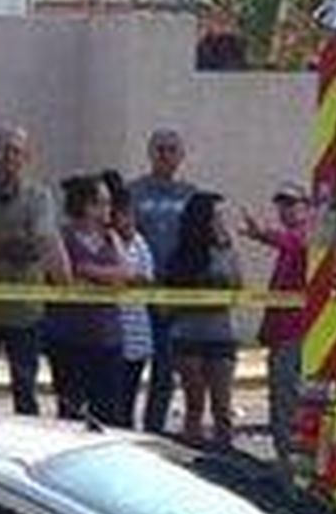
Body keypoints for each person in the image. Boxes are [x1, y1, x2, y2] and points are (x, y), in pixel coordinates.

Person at [0, 126, 66, 416]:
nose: (9, 157)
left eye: (16, 151)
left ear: (26, 157)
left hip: (26, 310)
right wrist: (16, 239)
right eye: (3, 149)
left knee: (26, 392)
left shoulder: (40, 197)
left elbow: (39, 245)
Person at [46, 174, 129, 427]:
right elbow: (65, 278)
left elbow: (124, 275)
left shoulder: (112, 238)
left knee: (108, 412)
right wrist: (102, 275)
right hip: (70, 338)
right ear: (86, 205)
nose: (108, 209)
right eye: (102, 202)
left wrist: (89, 271)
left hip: (108, 338)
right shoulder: (62, 236)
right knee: (71, 412)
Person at [127, 129, 196, 435]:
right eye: (159, 149)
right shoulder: (134, 192)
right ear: (150, 153)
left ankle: (154, 429)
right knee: (131, 365)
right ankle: (124, 427)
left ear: (181, 156)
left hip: (176, 294)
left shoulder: (190, 195)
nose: (165, 155)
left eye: (171, 150)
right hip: (140, 291)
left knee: (166, 371)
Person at [242, 183, 312, 467]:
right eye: (281, 203)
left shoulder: (305, 239)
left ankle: (291, 466)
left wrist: (261, 235)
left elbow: (297, 243)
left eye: (292, 203)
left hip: (296, 336)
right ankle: (286, 463)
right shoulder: (288, 247)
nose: (285, 209)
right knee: (279, 404)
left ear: (307, 208)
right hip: (281, 337)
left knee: (287, 405)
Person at [167, 191, 243, 448]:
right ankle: (192, 453)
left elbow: (237, 285)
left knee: (222, 405)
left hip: (221, 335)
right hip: (188, 335)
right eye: (216, 216)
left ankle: (225, 453)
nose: (221, 221)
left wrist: (226, 247)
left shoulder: (226, 249)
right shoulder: (183, 254)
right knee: (194, 404)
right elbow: (172, 296)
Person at [106, 171, 154, 429]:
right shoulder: (107, 241)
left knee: (129, 400)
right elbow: (119, 275)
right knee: (112, 402)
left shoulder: (139, 242)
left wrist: (129, 277)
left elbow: (146, 278)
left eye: (131, 214)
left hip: (138, 334)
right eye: (123, 214)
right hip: (113, 332)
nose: (129, 220)